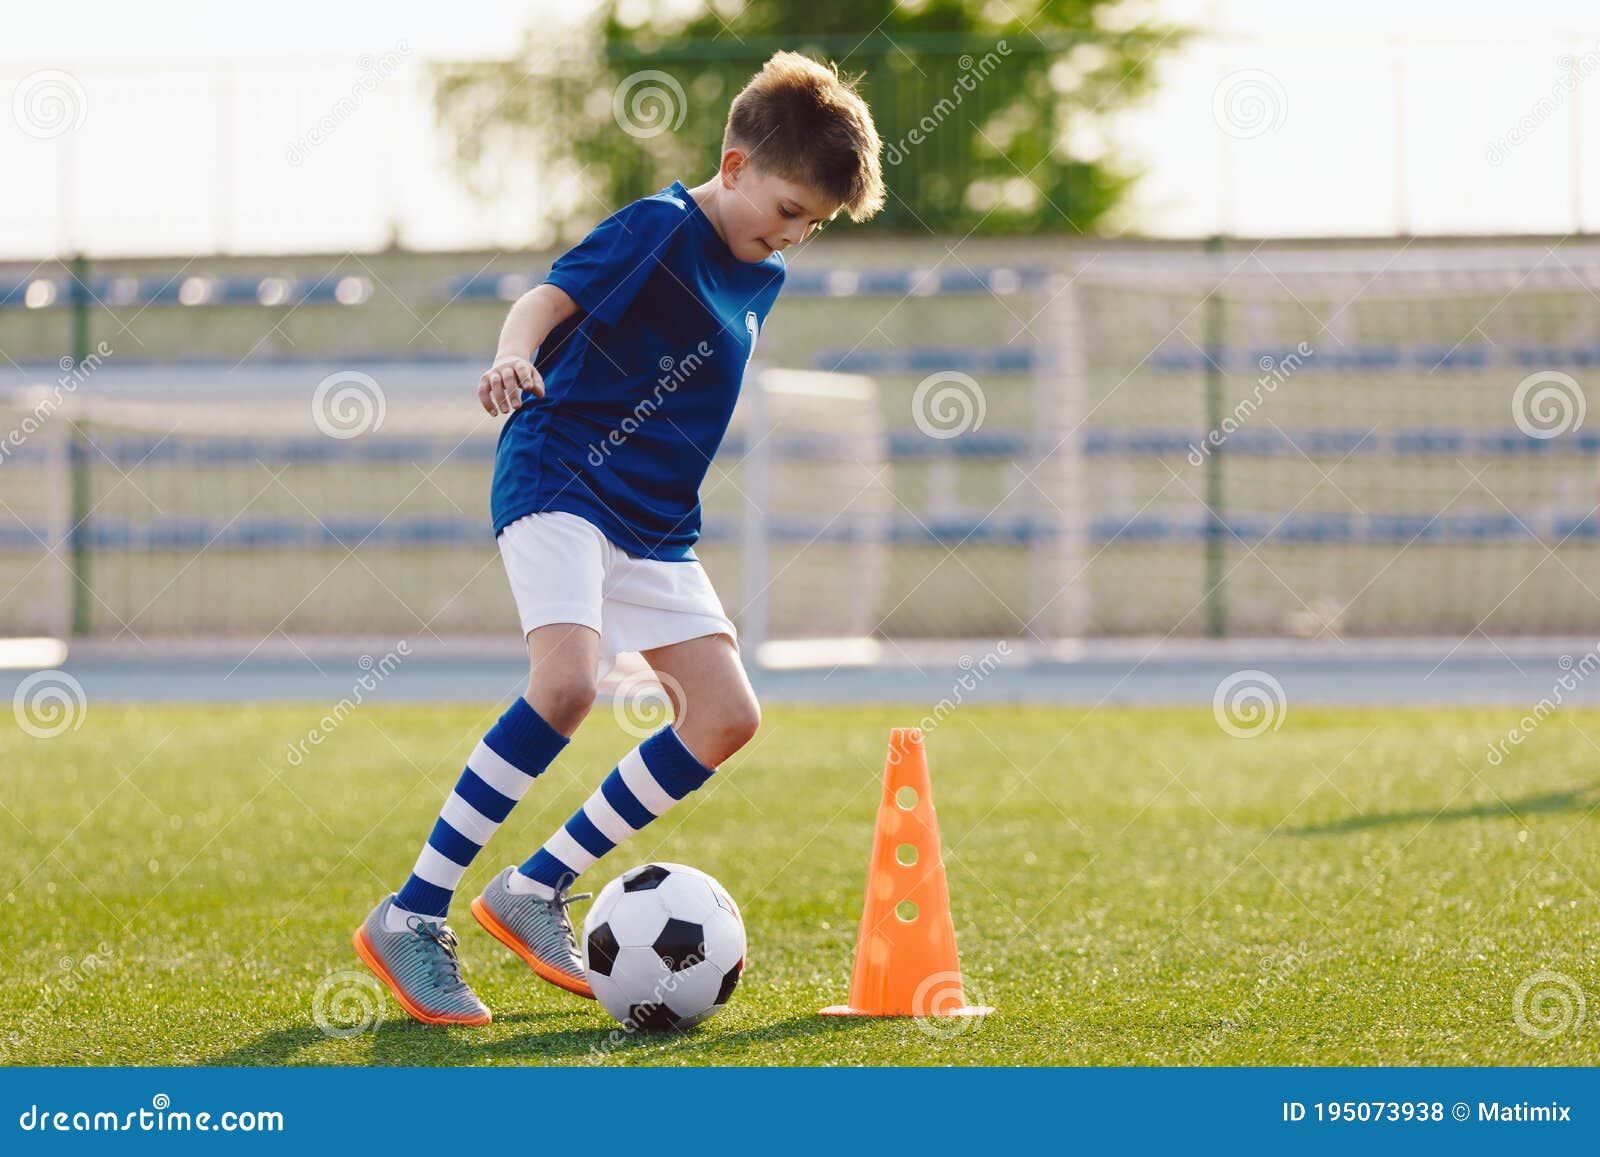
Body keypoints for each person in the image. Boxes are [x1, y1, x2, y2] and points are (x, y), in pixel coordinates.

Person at [352, 50, 885, 1024]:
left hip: (652, 523)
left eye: (813, 222)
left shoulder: (758, 276)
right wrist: (514, 356)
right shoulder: (659, 227)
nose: (795, 233)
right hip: (561, 474)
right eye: (788, 208)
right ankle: (411, 912)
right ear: (732, 167)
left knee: (725, 714)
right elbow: (546, 298)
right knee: (564, 686)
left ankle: (534, 886)